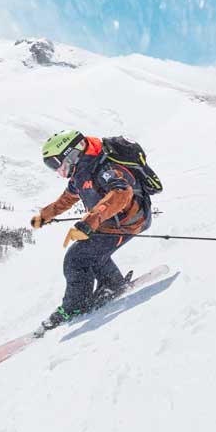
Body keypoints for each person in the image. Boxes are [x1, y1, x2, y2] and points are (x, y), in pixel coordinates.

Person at [30, 130, 151, 331]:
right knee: (92, 253)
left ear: (73, 154)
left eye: (59, 165)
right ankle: (113, 284)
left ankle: (75, 306)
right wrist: (45, 216)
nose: (60, 172)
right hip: (108, 223)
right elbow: (67, 199)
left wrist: (90, 221)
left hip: (127, 222)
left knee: (76, 258)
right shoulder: (80, 173)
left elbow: (121, 193)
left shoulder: (105, 168)